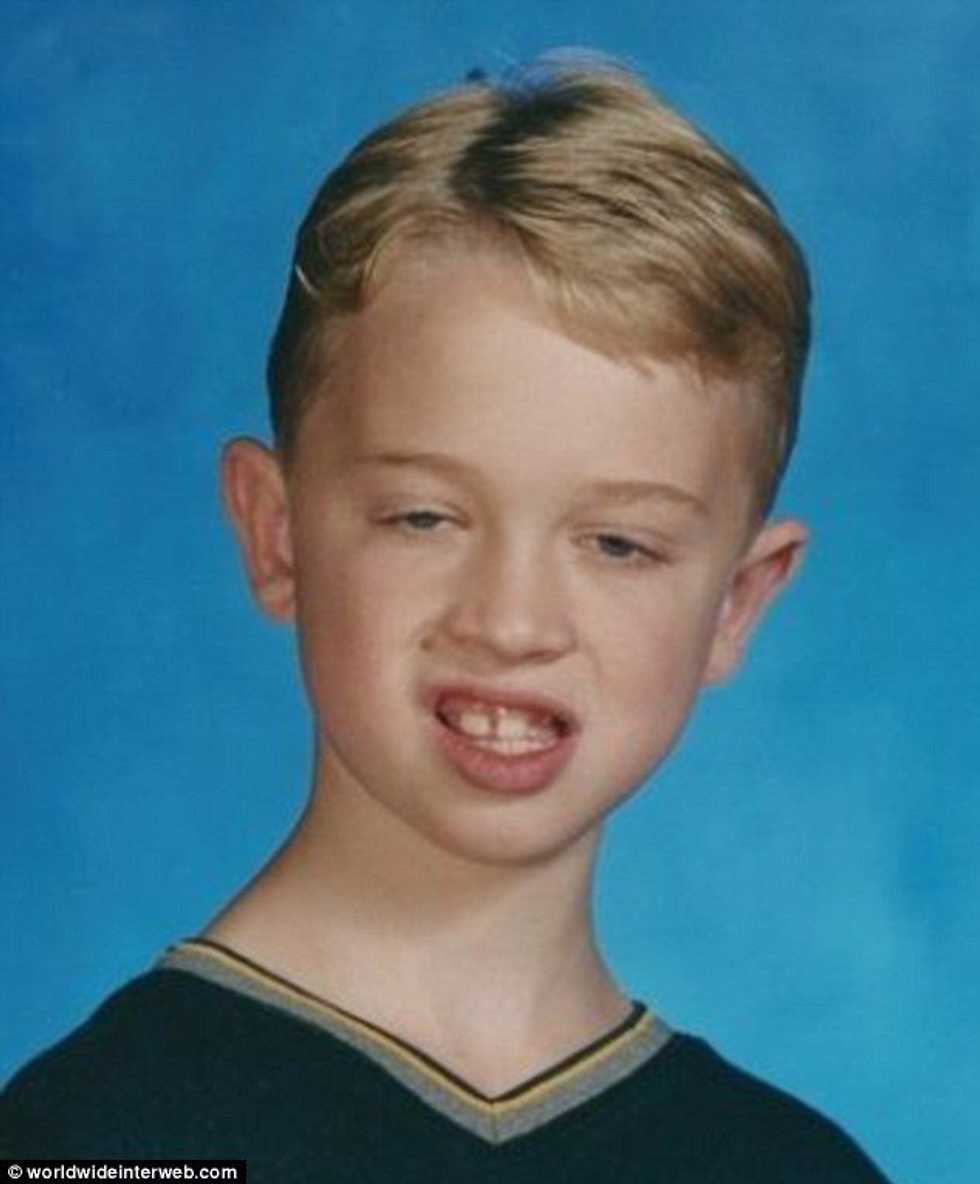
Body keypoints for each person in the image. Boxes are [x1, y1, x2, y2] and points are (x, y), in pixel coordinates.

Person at [1, 54, 892, 1180]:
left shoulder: (790, 1169)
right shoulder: (93, 1140)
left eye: (618, 543)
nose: (511, 622)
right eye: (424, 517)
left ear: (737, 601)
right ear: (276, 534)